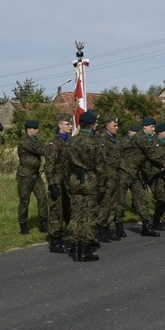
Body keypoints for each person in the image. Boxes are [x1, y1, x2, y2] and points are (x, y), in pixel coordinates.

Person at [67, 111, 106, 262]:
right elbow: (101, 166)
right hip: (90, 179)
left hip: (75, 178)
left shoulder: (71, 141)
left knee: (76, 214)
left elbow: (65, 164)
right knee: (89, 215)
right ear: (92, 125)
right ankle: (85, 250)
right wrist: (102, 187)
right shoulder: (95, 142)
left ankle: (75, 248)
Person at [44, 114, 72, 253]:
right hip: (57, 182)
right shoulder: (53, 143)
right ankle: (55, 240)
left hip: (68, 182)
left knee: (68, 210)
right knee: (57, 211)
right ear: (60, 125)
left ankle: (61, 235)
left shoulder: (70, 142)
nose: (70, 126)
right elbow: (49, 166)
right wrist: (53, 184)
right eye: (67, 124)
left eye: (70, 124)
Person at [16, 120, 48, 235]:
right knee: (25, 200)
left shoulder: (36, 140)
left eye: (37, 128)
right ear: (28, 129)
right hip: (25, 175)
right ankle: (23, 224)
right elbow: (41, 150)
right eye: (35, 128)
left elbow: (43, 148)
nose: (37, 130)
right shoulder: (24, 142)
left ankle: (43, 222)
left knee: (42, 198)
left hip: (35, 175)